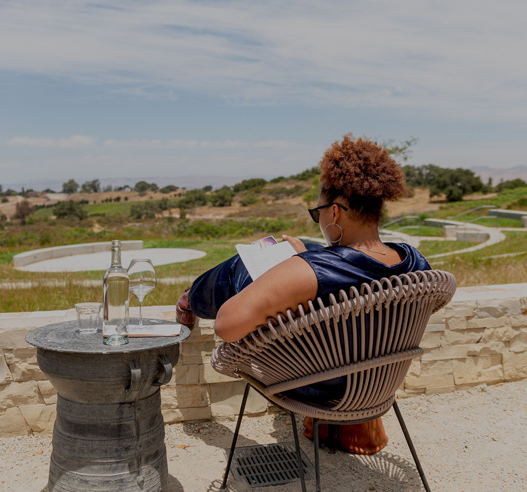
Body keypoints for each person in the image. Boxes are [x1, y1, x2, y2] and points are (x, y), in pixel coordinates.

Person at [177, 134, 431, 454]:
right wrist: (311, 258)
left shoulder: (311, 272)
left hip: (316, 384)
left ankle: (192, 297)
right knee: (308, 250)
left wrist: (296, 267)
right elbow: (360, 282)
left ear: (335, 213)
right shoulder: (415, 262)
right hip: (377, 381)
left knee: (243, 267)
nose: (320, 218)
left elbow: (227, 326)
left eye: (318, 213)